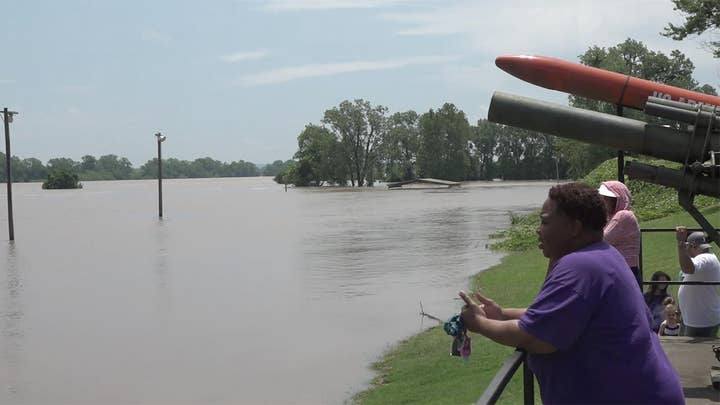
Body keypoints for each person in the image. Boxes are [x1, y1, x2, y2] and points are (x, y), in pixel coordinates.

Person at [459, 182, 683, 404]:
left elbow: (536, 337)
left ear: (574, 228)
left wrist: (479, 323)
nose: (538, 229)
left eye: (545, 221)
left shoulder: (580, 266)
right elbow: (558, 314)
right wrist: (502, 314)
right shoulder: (604, 255)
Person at [675, 227, 720, 337]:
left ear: (692, 246)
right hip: (696, 318)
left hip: (699, 321)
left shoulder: (704, 258)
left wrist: (680, 244)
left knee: (691, 353)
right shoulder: (709, 258)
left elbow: (688, 268)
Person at [598, 180, 641, 288]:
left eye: (607, 198)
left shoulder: (623, 215)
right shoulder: (610, 217)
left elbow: (602, 239)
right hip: (617, 269)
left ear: (617, 200)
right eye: (602, 197)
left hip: (624, 271)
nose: (602, 201)